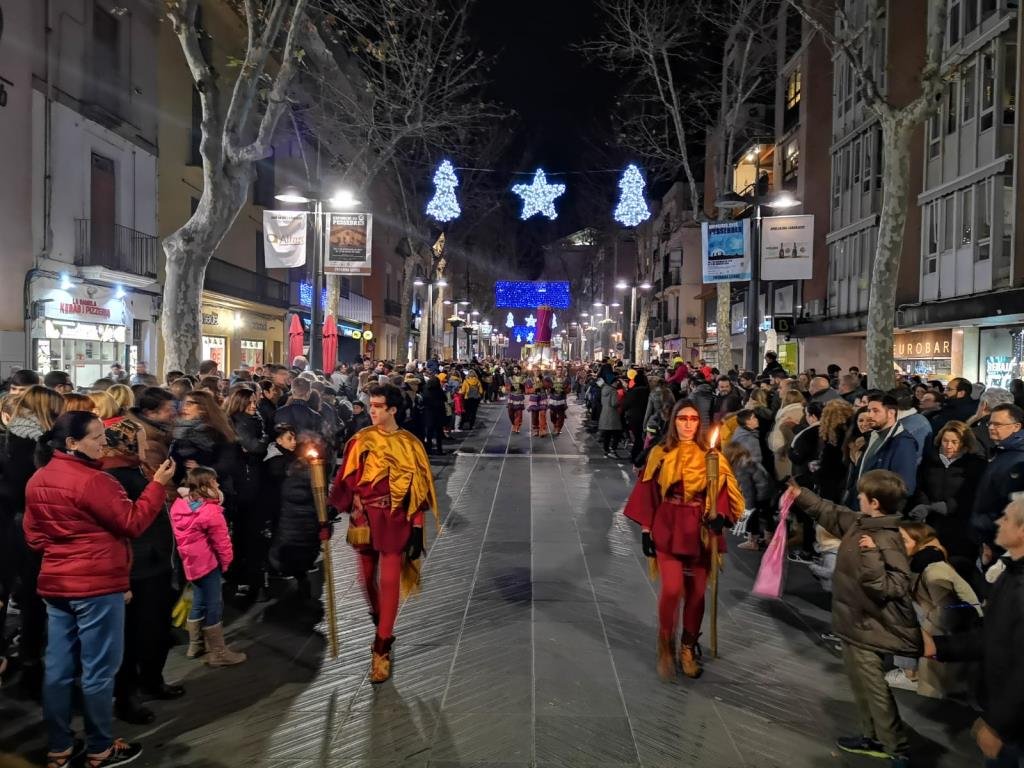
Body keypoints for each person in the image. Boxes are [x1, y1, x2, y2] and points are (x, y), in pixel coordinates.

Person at [24, 411, 176, 768]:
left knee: (59, 670)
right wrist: (156, 486)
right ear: (72, 443)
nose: (103, 444)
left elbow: (33, 537)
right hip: (96, 585)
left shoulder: (39, 478)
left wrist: (65, 545)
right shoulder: (96, 482)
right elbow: (132, 522)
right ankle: (100, 748)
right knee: (98, 670)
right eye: (96, 438)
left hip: (57, 583)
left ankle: (60, 747)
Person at [788, 471, 918, 767]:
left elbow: (896, 585)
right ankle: (871, 736)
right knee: (861, 686)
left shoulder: (885, 538)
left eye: (862, 495)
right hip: (853, 623)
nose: (856, 497)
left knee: (874, 688)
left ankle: (897, 748)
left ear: (874, 502)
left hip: (869, 627)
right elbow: (833, 514)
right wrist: (801, 495)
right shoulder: (862, 523)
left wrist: (871, 558)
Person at [622, 399, 745, 680]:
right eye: (682, 418)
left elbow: (724, 492)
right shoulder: (660, 453)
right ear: (674, 421)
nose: (688, 424)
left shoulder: (712, 456)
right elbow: (649, 493)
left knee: (698, 593)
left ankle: (688, 647)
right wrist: (645, 530)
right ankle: (665, 645)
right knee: (672, 589)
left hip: (701, 531)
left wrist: (721, 516)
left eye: (692, 419)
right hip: (668, 525)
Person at [329, 384, 438, 684]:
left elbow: (418, 488)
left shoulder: (411, 444)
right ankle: (381, 620)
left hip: (395, 518)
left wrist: (416, 525)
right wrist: (329, 512)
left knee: (389, 580)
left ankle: (382, 645)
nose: (372, 410)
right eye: (371, 404)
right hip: (363, 518)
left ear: (392, 409)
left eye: (378, 405)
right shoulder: (359, 441)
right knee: (366, 580)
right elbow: (345, 481)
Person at [925, 498, 1024, 767]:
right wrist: (939, 646)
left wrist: (998, 725)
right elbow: (992, 638)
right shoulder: (1011, 574)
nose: (998, 522)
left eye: (1006, 518)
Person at [101, 419, 182, 726]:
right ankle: (127, 696)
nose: (146, 446)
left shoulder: (135, 467)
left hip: (155, 560)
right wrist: (158, 486)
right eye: (140, 440)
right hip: (136, 565)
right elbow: (129, 521)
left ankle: (152, 679)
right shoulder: (112, 475)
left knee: (155, 627)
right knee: (135, 633)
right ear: (126, 443)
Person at [886, 522, 981, 699]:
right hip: (950, 626)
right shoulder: (921, 563)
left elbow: (950, 614)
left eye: (903, 540)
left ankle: (911, 675)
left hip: (958, 632)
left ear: (919, 542)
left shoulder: (933, 570)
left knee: (899, 611)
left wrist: (923, 628)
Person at [169, 466, 246, 667]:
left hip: (191, 565)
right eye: (215, 481)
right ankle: (218, 653)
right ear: (206, 485)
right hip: (209, 564)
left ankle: (195, 645)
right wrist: (227, 562)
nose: (218, 484)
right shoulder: (210, 511)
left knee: (198, 601)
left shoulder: (179, 507)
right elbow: (222, 542)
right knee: (214, 604)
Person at [910, 421, 987, 584]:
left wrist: (946, 506)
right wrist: (924, 505)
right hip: (933, 523)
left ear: (964, 443)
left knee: (958, 571)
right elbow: (920, 486)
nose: (949, 446)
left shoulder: (975, 464)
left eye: (954, 442)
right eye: (946, 441)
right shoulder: (930, 461)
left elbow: (971, 494)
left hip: (961, 528)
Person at [224, 388, 268, 598]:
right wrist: (265, 442)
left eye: (254, 402)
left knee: (247, 533)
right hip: (244, 484)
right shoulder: (241, 422)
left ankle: (245, 577)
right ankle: (246, 578)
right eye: (249, 402)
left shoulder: (252, 420)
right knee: (247, 533)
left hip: (249, 482)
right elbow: (256, 447)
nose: (253, 406)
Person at [845, 393, 919, 507]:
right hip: (861, 506)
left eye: (875, 411)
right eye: (869, 410)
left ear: (891, 413)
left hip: (878, 511)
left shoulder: (903, 443)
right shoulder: (871, 436)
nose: (870, 415)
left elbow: (905, 486)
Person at [971, 403, 1024, 550]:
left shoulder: (1018, 459)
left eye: (998, 424)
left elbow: (1014, 507)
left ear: (1016, 426)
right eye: (990, 423)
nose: (991, 428)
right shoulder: (1003, 452)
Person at [622, 370, 650, 463]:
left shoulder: (633, 391)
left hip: (633, 418)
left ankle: (636, 456)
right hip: (646, 417)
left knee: (638, 438)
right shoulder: (649, 391)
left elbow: (625, 404)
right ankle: (640, 456)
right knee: (642, 437)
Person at [598, 375, 622, 457]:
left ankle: (606, 449)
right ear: (612, 382)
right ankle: (613, 449)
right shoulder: (613, 391)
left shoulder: (604, 389)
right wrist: (620, 402)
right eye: (616, 382)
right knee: (617, 432)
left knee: (607, 433)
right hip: (612, 414)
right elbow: (614, 403)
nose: (617, 383)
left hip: (604, 412)